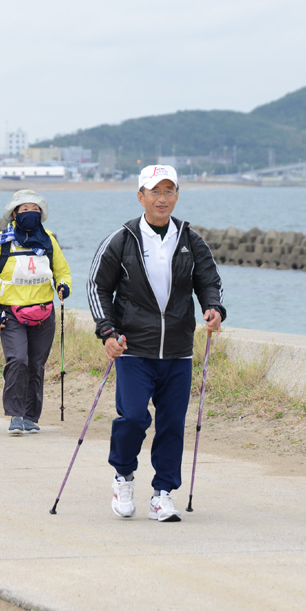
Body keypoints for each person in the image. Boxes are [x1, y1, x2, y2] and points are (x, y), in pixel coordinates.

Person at [86, 164, 225, 522]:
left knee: (172, 424)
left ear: (177, 196)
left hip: (178, 350)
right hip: (133, 347)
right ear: (141, 196)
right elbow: (97, 286)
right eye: (155, 191)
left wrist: (213, 308)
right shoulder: (123, 238)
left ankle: (163, 493)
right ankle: (124, 475)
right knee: (133, 417)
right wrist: (107, 331)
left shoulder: (191, 240)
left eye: (169, 191)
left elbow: (209, 280)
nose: (162, 199)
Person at [0, 190, 72, 435]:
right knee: (18, 361)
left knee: (36, 365)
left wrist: (64, 286)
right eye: (25, 209)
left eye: (35, 209)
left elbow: (62, 270)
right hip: (10, 313)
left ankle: (30, 417)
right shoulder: (0, 241)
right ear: (15, 213)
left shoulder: (49, 240)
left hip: (43, 313)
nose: (31, 213)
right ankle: (15, 415)